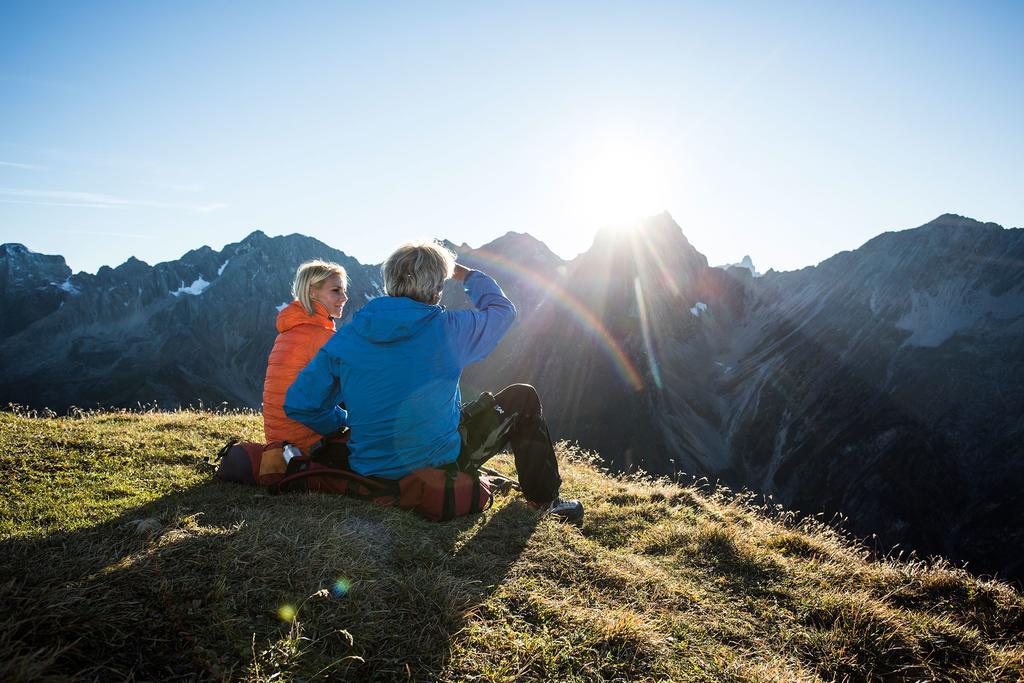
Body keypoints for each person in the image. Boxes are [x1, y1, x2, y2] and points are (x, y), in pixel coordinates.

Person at [283, 241, 583, 523]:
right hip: (437, 464)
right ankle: (545, 503)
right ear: (438, 287)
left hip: (370, 467)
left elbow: (300, 404)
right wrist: (465, 274)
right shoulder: (449, 329)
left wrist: (341, 422)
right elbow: (502, 311)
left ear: (390, 281)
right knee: (523, 398)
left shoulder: (349, 335)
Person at [262, 260, 348, 454]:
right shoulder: (321, 336)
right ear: (312, 292)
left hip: (278, 442)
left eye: (344, 291)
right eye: (336, 291)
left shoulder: (287, 332)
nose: (344, 297)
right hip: (307, 442)